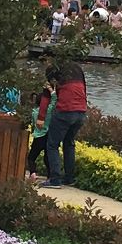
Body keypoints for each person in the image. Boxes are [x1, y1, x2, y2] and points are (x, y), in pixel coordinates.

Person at [44, 57, 88, 187]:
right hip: (81, 111)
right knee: (69, 143)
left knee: (52, 144)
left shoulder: (55, 68)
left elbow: (48, 90)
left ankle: (55, 179)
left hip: (65, 110)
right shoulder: (77, 68)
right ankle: (69, 178)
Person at [26, 81, 53, 175]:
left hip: (38, 137)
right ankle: (50, 175)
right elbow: (54, 101)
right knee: (47, 157)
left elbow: (33, 124)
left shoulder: (34, 112)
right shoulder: (49, 110)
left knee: (31, 157)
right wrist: (51, 91)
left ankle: (33, 173)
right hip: (48, 136)